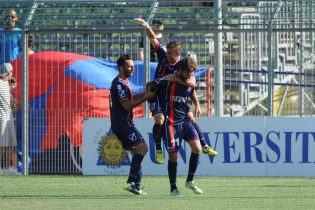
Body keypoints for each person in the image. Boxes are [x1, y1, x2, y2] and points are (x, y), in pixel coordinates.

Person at [134, 18, 217, 164]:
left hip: (174, 98)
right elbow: (153, 38)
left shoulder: (182, 65)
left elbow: (192, 83)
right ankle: (158, 149)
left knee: (190, 118)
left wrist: (176, 80)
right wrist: (147, 26)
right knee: (160, 119)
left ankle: (204, 145)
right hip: (157, 94)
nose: (168, 56)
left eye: (171, 54)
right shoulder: (162, 55)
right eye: (167, 53)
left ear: (177, 54)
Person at [154, 57, 204, 196]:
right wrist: (155, 108)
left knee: (197, 148)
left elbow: (192, 87)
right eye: (187, 73)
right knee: (174, 156)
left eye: (191, 73)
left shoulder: (187, 80)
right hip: (171, 123)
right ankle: (173, 188)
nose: (190, 76)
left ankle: (190, 181)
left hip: (185, 121)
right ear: (180, 70)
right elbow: (151, 86)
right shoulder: (167, 81)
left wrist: (197, 106)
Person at [110, 54, 155, 195]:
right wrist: (146, 97)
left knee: (137, 154)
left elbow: (130, 99)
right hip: (123, 124)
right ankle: (131, 180)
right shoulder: (119, 84)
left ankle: (137, 186)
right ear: (121, 68)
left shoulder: (122, 83)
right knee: (143, 148)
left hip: (122, 124)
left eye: (133, 66)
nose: (132, 69)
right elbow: (127, 105)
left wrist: (144, 94)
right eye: (129, 66)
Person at [0, 63, 18, 175]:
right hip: (2, 119)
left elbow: (13, 83)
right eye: (11, 71)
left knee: (10, 146)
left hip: (9, 119)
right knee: (2, 147)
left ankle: (9, 170)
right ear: (8, 72)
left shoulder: (7, 84)